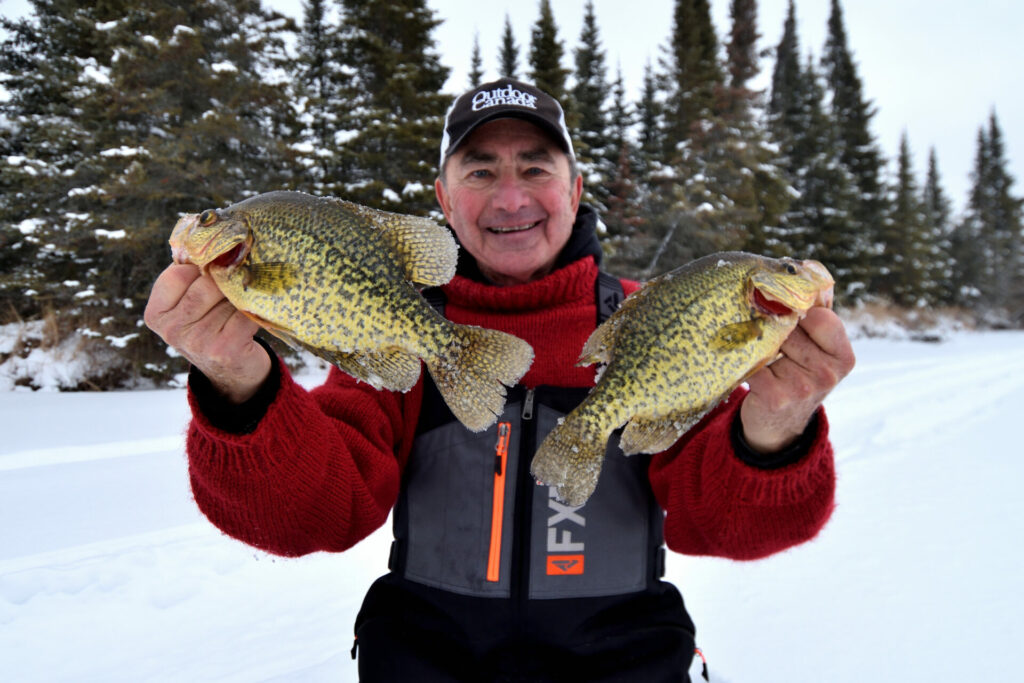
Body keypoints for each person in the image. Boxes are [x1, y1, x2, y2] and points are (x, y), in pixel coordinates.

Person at [145, 79, 855, 682]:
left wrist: (775, 427)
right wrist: (237, 381)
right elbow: (313, 516)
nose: (510, 198)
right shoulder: (396, 328)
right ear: (443, 198)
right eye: (480, 171)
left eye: (536, 168)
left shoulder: (650, 320)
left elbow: (725, 526)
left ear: (576, 189)